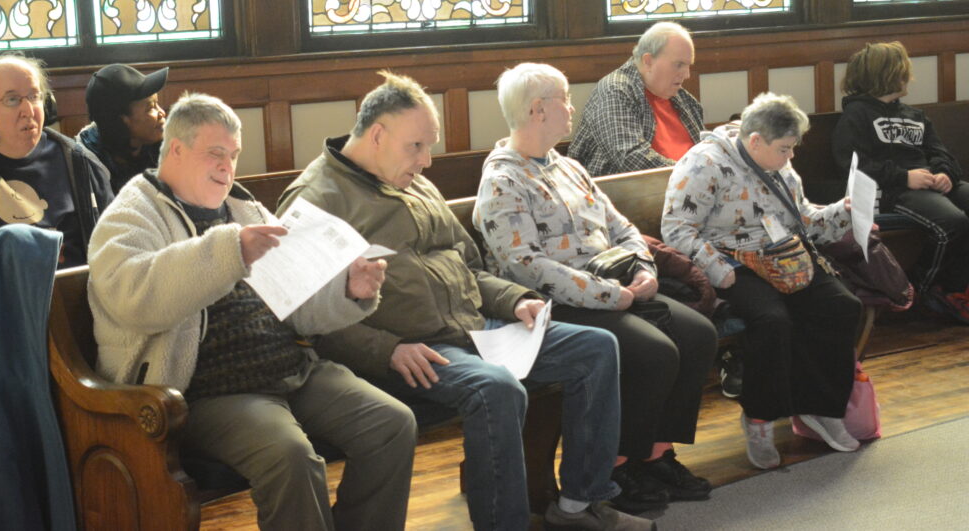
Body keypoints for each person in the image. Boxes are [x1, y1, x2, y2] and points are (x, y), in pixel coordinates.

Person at [279, 72, 653, 531]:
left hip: (477, 327)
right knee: (496, 390)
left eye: (429, 146)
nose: (427, 161)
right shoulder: (317, 199)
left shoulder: (412, 181)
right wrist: (387, 349)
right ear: (377, 135)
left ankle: (580, 503)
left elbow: (471, 265)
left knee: (595, 349)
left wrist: (516, 300)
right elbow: (302, 317)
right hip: (415, 347)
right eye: (416, 146)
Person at [87, 92, 416, 531]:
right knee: (291, 456)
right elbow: (132, 297)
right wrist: (228, 250)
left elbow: (298, 307)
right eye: (215, 154)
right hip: (209, 391)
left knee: (391, 424)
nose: (227, 167)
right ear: (176, 150)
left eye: (234, 155)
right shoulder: (132, 214)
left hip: (290, 367)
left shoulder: (241, 207)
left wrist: (347, 289)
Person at [474, 63, 718, 512]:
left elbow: (620, 226)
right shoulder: (503, 180)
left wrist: (645, 269)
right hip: (557, 305)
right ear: (536, 110)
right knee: (654, 351)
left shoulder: (568, 167)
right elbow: (528, 267)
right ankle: (618, 465)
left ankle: (656, 453)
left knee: (699, 333)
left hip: (616, 288)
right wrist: (612, 295)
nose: (571, 107)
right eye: (563, 99)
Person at [662, 92, 864, 470]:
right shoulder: (703, 163)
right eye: (785, 149)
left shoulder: (780, 166)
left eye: (792, 148)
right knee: (771, 320)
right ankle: (759, 419)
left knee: (841, 306)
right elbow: (676, 230)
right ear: (755, 141)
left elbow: (802, 218)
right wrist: (719, 271)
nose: (791, 158)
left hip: (785, 255)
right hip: (732, 260)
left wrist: (843, 212)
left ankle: (818, 408)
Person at [0, 53, 112, 346]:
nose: (28, 110)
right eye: (12, 99)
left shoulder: (80, 162)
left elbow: (117, 241)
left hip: (80, 318)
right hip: (0, 326)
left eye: (34, 97)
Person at [832, 41, 969, 319]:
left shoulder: (914, 116)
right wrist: (904, 177)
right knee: (952, 222)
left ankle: (959, 287)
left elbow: (940, 152)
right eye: (904, 71)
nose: (909, 77)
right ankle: (925, 290)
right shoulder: (856, 115)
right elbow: (852, 164)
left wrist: (945, 174)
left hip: (929, 183)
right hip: (893, 190)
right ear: (887, 75)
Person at [569, 21, 703, 177]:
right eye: (679, 65)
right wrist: (691, 173)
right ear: (648, 61)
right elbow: (630, 158)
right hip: (624, 197)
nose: (686, 74)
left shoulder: (686, 101)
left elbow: (705, 151)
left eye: (688, 66)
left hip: (686, 191)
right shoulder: (615, 91)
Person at [77, 63, 168, 193]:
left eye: (157, 103)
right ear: (122, 120)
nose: (162, 113)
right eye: (150, 107)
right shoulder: (90, 168)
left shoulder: (164, 149)